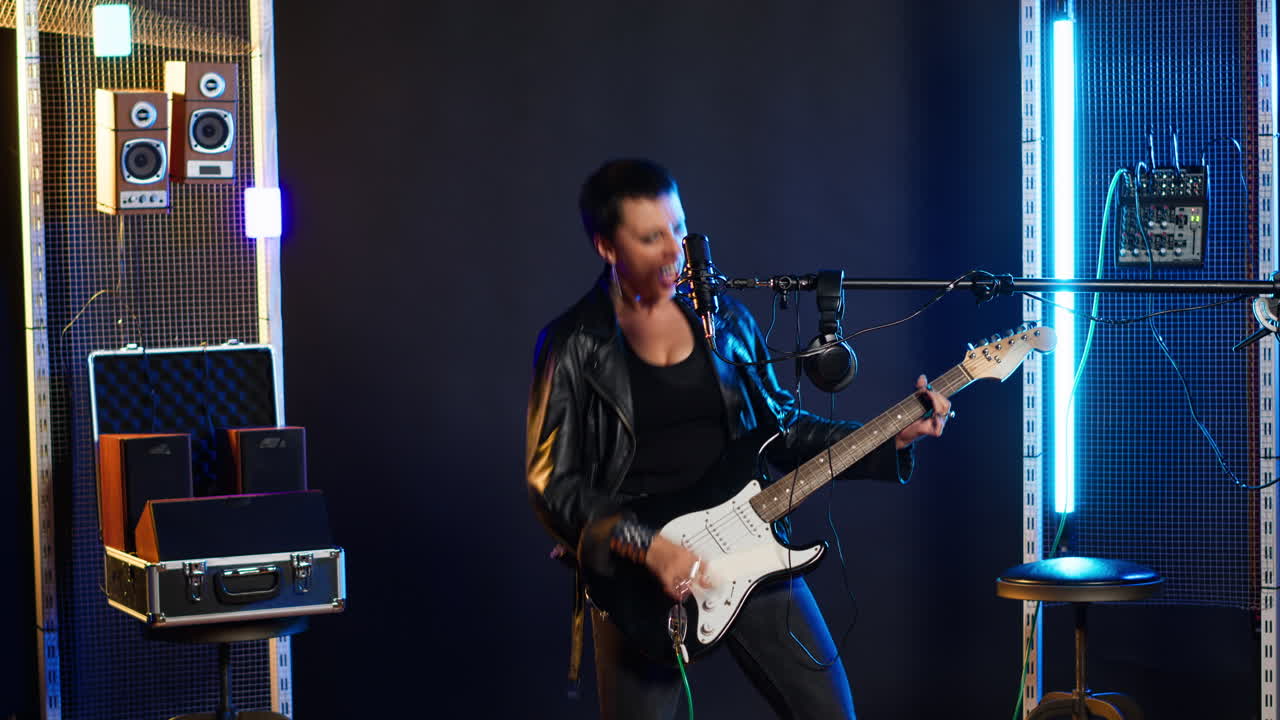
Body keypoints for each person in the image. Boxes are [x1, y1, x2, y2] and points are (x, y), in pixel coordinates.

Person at [526, 158, 951, 719]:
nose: (674, 251)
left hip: (748, 542)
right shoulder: (574, 343)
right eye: (650, 237)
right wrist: (647, 545)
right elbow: (553, 485)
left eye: (678, 228)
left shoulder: (724, 320)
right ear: (607, 247)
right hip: (638, 578)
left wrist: (893, 439)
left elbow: (784, 431)